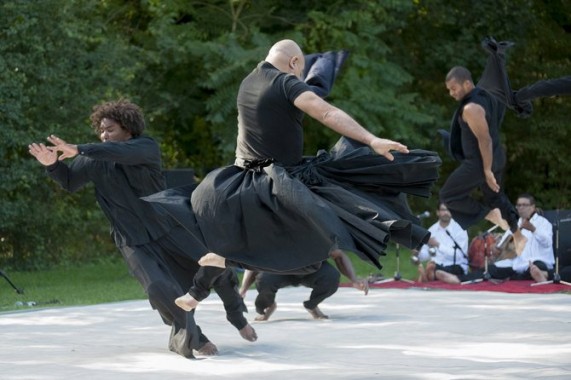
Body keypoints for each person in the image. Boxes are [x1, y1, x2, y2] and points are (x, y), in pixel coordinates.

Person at [162, 39, 441, 311]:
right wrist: (371, 140)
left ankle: (197, 292)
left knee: (229, 240)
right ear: (294, 62)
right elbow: (327, 113)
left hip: (239, 182)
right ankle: (224, 264)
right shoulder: (285, 82)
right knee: (315, 244)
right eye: (299, 69)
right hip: (278, 184)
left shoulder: (248, 82)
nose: (299, 76)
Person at [28, 100, 256, 359]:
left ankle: (237, 317)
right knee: (158, 288)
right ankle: (193, 336)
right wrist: (52, 165)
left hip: (169, 228)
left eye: (110, 129)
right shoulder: (93, 159)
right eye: (101, 131)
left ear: (128, 129)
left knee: (215, 269)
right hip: (133, 240)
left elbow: (121, 154)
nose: (104, 135)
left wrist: (78, 148)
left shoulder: (146, 148)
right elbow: (69, 181)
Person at [440, 65, 526, 255]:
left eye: (454, 88)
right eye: (449, 90)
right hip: (496, 156)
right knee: (494, 196)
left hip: (479, 162)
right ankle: (518, 234)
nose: (451, 93)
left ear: (467, 83)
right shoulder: (486, 96)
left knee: (449, 196)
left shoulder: (471, 107)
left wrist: (487, 170)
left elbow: (484, 139)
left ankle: (490, 214)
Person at [239, 250, 368, 321]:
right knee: (263, 280)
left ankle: (312, 305)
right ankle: (269, 305)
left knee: (331, 277)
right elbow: (254, 261)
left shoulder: (315, 230)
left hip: (312, 271)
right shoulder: (273, 232)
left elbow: (339, 255)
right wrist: (243, 289)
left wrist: (354, 279)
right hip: (279, 271)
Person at [486, 193, 554, 281]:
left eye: (524, 205)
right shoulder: (514, 225)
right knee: (490, 269)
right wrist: (496, 249)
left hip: (537, 262)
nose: (521, 208)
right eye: (519, 205)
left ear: (532, 207)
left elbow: (547, 243)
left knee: (537, 267)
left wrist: (534, 230)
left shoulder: (543, 223)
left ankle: (537, 276)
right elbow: (502, 246)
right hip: (518, 265)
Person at [413, 203, 470, 284]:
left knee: (435, 268)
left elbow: (459, 256)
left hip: (456, 265)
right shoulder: (432, 230)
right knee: (433, 266)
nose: (446, 212)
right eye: (443, 210)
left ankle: (429, 276)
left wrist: (438, 245)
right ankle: (432, 274)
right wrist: (417, 252)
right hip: (436, 265)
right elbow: (426, 255)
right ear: (438, 212)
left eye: (448, 210)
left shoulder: (460, 229)